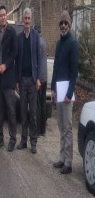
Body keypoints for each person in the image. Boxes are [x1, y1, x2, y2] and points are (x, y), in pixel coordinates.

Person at [51, 10, 78, 175]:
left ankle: (68, 162)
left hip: (67, 92)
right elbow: (55, 68)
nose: (63, 25)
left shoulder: (73, 43)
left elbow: (74, 72)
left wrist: (69, 93)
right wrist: (53, 89)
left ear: (69, 24)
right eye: (61, 23)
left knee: (67, 127)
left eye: (65, 23)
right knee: (61, 126)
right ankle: (61, 158)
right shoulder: (59, 43)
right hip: (58, 90)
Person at [0, 5, 18, 152]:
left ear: (6, 16)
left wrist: (5, 66)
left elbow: (14, 53)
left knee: (11, 110)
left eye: (4, 15)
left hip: (8, 78)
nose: (2, 17)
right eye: (0, 15)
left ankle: (13, 139)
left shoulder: (12, 32)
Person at [16, 8, 41, 154]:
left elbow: (38, 57)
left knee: (33, 112)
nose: (26, 21)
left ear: (31, 20)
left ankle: (34, 142)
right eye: (25, 18)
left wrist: (38, 78)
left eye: (28, 18)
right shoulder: (19, 37)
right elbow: (17, 60)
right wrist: (17, 80)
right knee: (23, 112)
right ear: (23, 19)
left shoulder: (36, 36)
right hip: (22, 79)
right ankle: (23, 140)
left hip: (32, 80)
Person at [35, 25, 47, 136]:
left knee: (37, 104)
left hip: (39, 78)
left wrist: (36, 77)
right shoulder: (44, 41)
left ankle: (38, 130)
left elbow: (37, 61)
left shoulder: (37, 42)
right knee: (43, 104)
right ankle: (43, 130)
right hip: (45, 78)